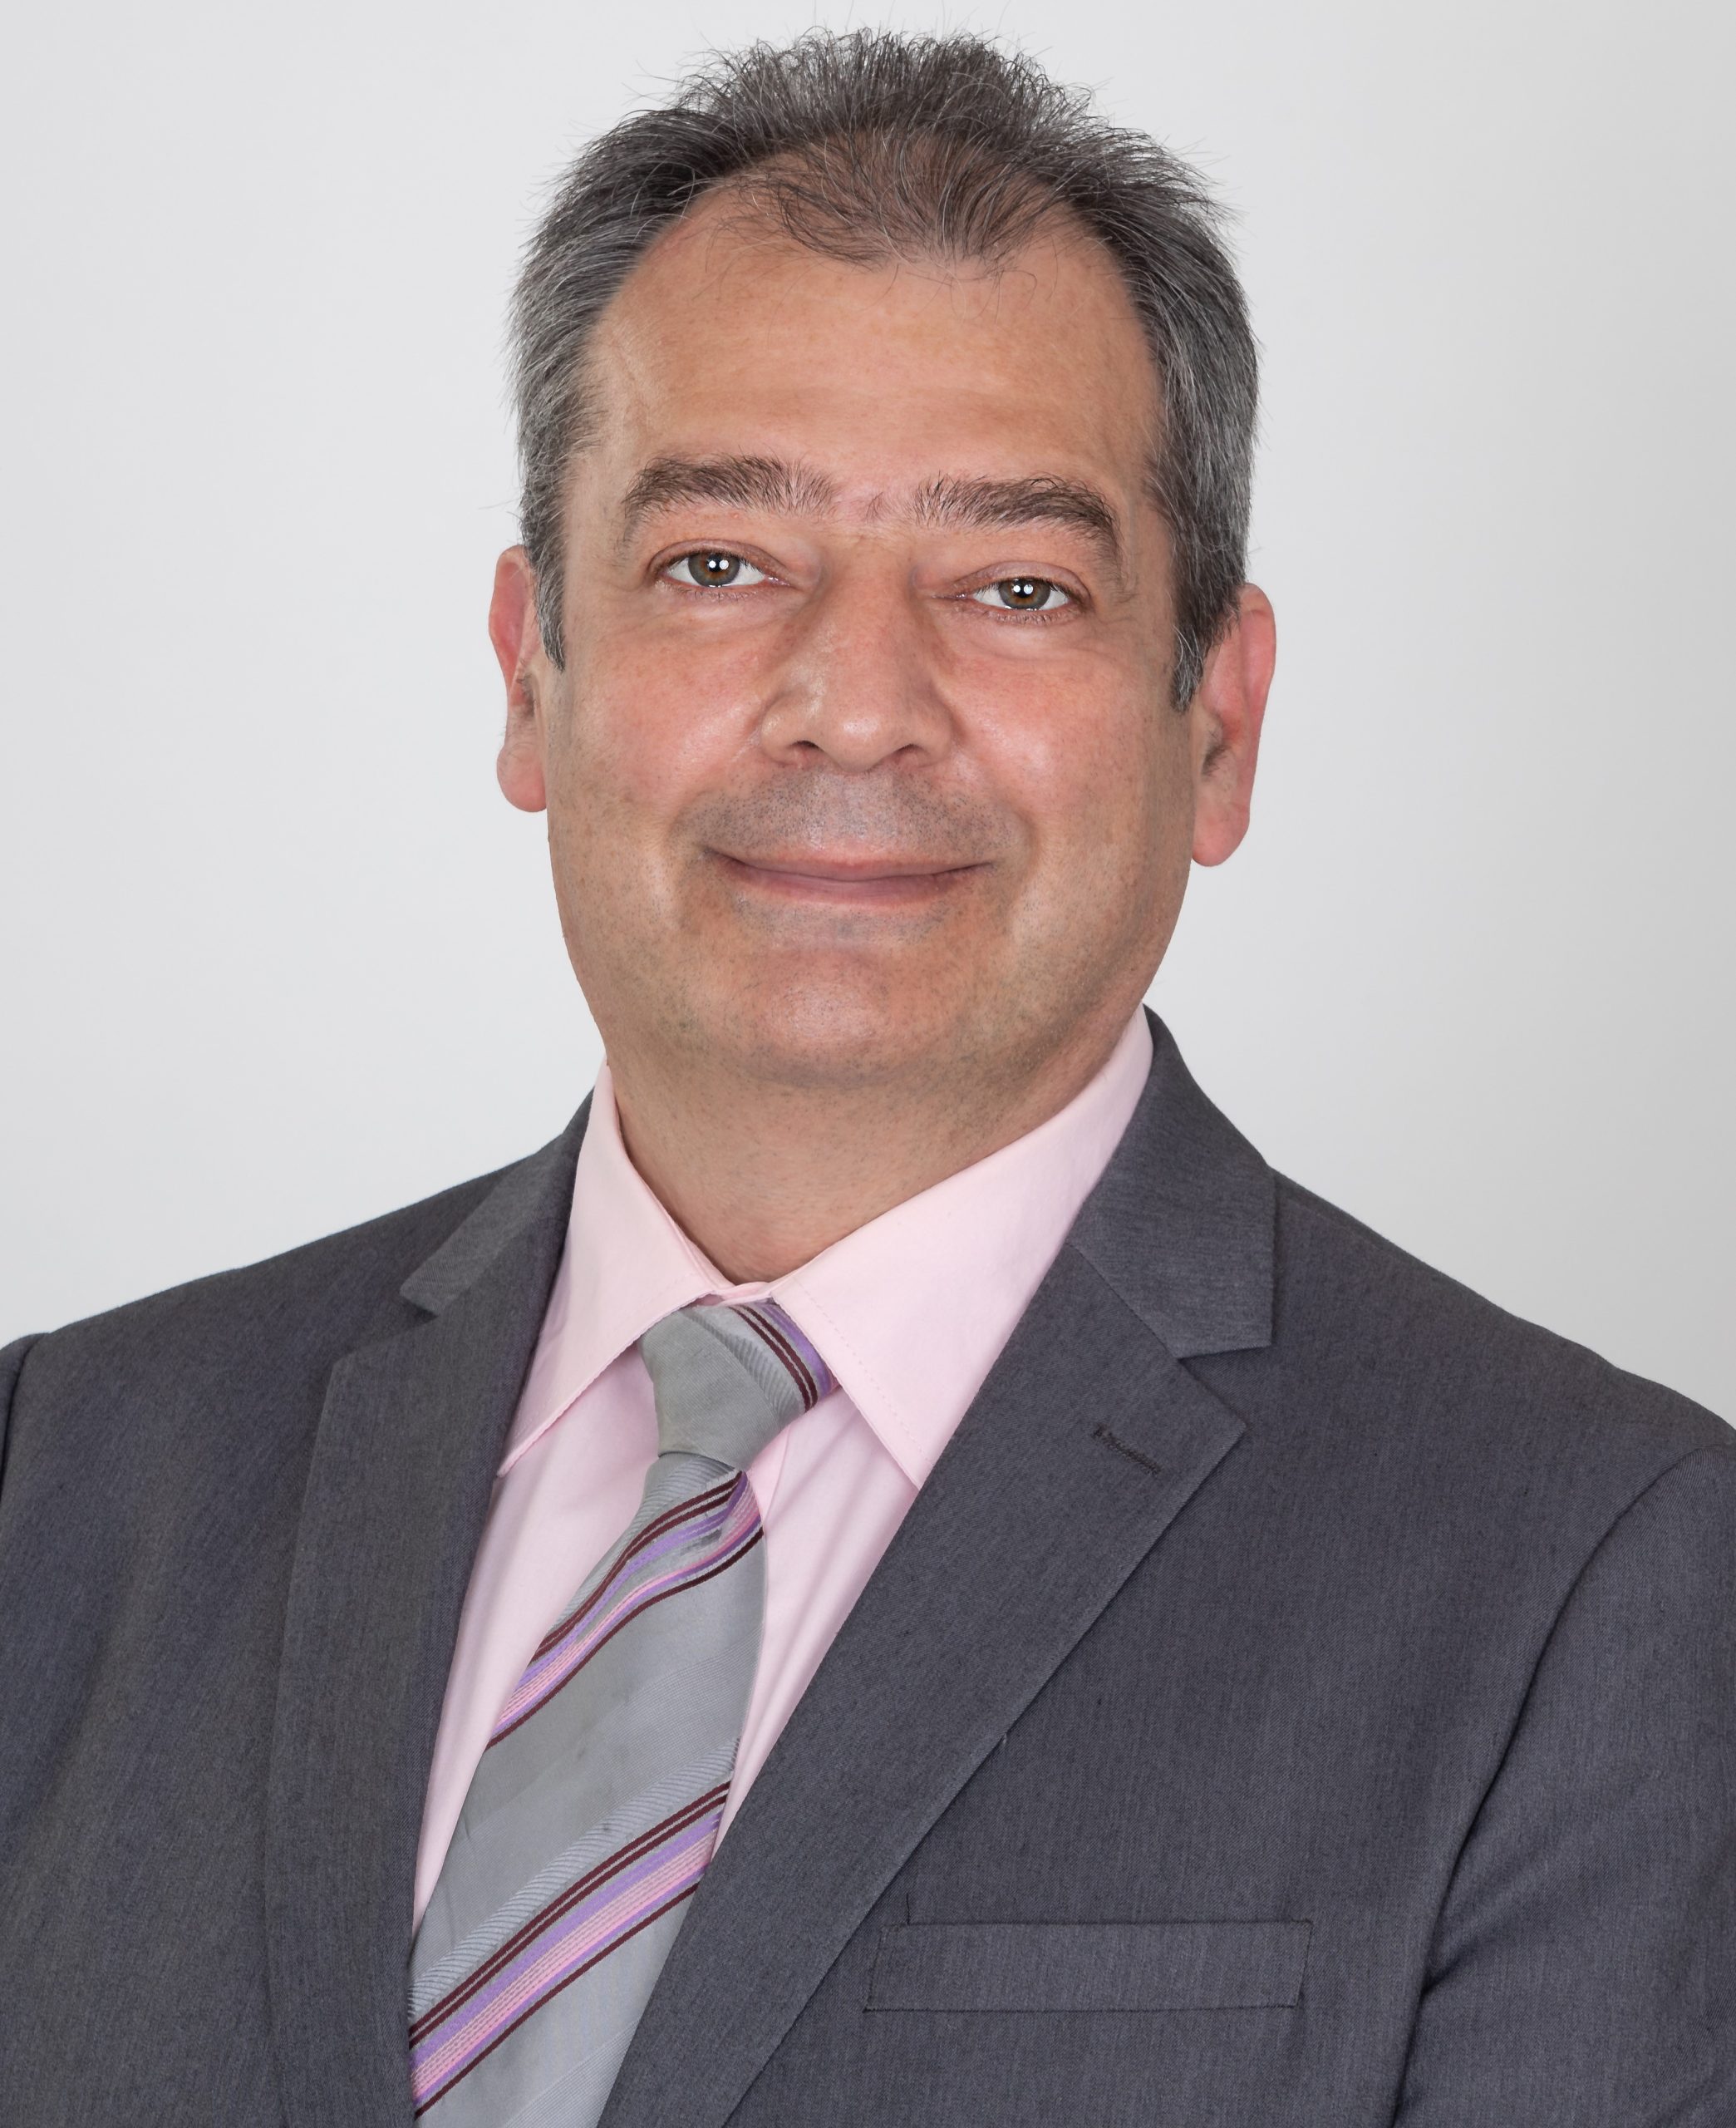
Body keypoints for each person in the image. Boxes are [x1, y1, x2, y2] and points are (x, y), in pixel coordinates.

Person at [0, 27, 1729, 2128]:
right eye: (718, 563)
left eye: (1016, 585)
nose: (851, 705)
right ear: (531, 672)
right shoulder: (68, 1470)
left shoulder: (1594, 1576)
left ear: (1217, 722)